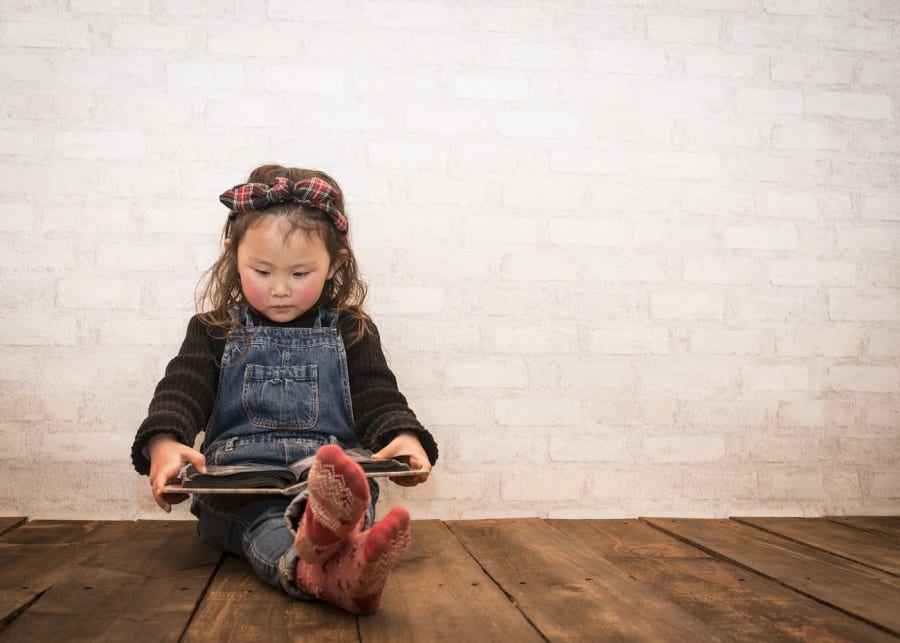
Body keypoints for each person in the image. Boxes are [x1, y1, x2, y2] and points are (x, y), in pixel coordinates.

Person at [130, 164, 438, 614]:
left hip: (328, 470)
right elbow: (182, 389)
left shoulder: (350, 331)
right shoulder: (214, 330)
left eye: (299, 274)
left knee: (351, 498)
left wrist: (405, 438)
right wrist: (165, 444)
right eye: (261, 270)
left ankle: (334, 557)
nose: (279, 290)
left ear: (335, 264)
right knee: (263, 521)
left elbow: (378, 397)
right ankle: (318, 565)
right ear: (232, 253)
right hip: (240, 481)